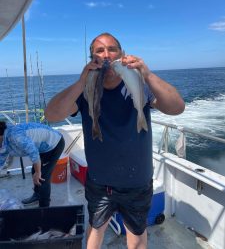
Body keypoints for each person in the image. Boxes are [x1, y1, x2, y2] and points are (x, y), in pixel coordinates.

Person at [44, 32, 185, 249]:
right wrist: (82, 81)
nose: (106, 54)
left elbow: (176, 108)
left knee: (137, 234)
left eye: (112, 49)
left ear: (122, 54)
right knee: (96, 227)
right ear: (92, 59)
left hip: (137, 181)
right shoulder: (85, 91)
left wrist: (147, 74)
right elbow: (52, 115)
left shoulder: (140, 84)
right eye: (99, 51)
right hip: (99, 181)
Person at [0, 121, 65, 207]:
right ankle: (37, 195)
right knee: (34, 170)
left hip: (54, 143)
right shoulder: (4, 138)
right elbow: (2, 157)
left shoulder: (15, 136)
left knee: (42, 177)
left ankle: (44, 208)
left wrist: (38, 172)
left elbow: (33, 152)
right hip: (41, 147)